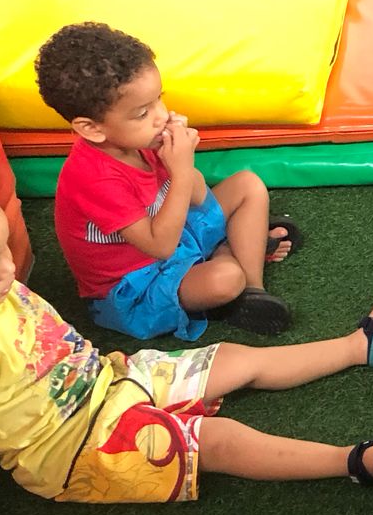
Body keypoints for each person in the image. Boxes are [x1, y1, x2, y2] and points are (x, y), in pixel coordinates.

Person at [0, 174, 373, 515]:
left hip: (109, 381)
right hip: (75, 449)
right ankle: (356, 462)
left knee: (235, 359)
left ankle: (363, 346)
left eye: (4, 249)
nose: (8, 269)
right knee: (217, 440)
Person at [36, 21, 300, 340]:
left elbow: (199, 197)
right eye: (142, 113)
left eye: (159, 99)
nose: (161, 116)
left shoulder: (140, 139)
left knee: (248, 184)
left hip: (174, 234)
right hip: (137, 283)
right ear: (92, 128)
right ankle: (240, 248)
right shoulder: (93, 178)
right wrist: (181, 171)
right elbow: (160, 246)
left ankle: (253, 292)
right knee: (226, 279)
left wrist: (181, 163)